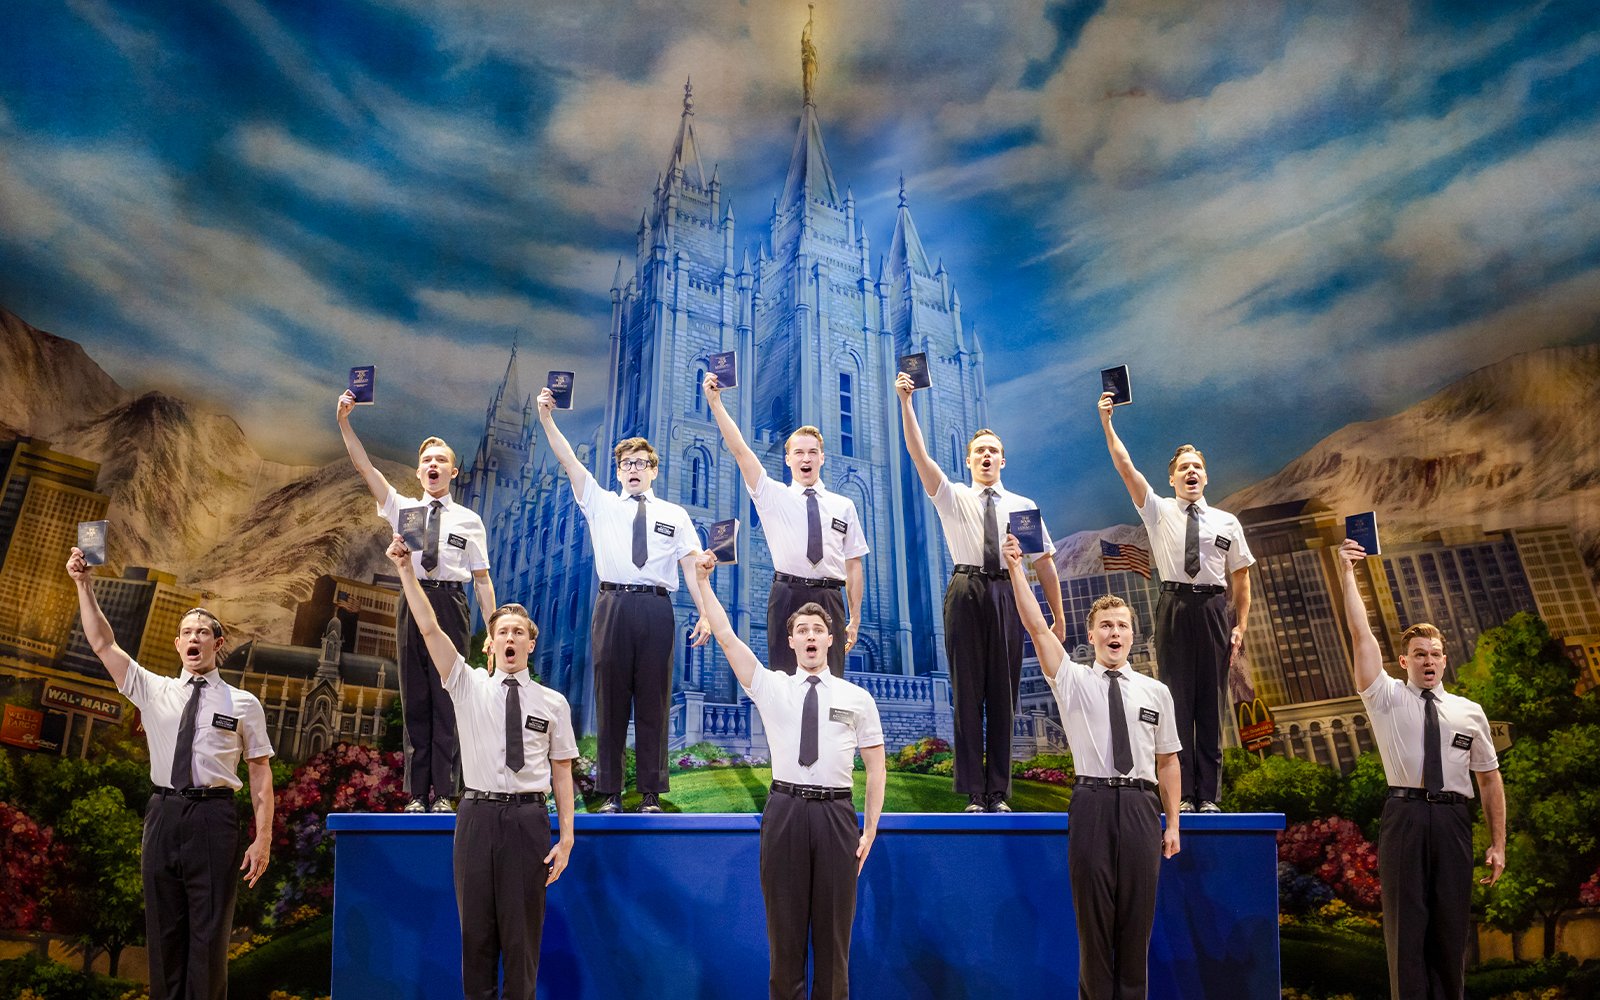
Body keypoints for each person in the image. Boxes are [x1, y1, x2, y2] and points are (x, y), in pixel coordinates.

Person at [66, 547, 273, 1000]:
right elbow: (103, 644)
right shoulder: (152, 689)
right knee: (164, 933)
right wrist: (83, 583)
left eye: (203, 631)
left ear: (218, 644)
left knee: (209, 937)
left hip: (214, 818)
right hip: (163, 814)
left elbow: (260, 774)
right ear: (178, 645)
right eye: (186, 632)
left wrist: (263, 838)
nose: (193, 637)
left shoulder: (243, 704)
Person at [386, 536, 576, 1000]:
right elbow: (429, 628)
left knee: (522, 940)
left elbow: (562, 772)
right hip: (476, 817)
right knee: (476, 938)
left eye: (518, 632)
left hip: (529, 820)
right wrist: (407, 571)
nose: (510, 638)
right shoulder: (466, 684)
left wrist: (567, 837)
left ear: (531, 643)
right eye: (502, 632)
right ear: (490, 643)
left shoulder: (553, 703)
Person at [696, 552, 885, 1000]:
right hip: (784, 812)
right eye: (803, 630)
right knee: (785, 945)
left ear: (831, 639)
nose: (811, 636)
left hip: (837, 817)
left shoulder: (857, 698)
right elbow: (726, 637)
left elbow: (877, 767)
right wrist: (703, 585)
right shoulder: (771, 686)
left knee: (834, 946)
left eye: (818, 629)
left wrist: (871, 827)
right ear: (792, 641)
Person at [1002, 534, 1181, 999]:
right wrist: (1017, 569)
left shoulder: (1156, 693)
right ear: (1091, 634)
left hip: (1141, 808)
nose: (1114, 632)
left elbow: (1167, 761)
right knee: (1095, 928)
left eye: (1121, 625)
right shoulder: (1072, 680)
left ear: (1132, 635)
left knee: (1136, 929)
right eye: (1105, 625)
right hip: (1092, 804)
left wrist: (1173, 824)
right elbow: (1038, 627)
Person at [1336, 538, 1505, 1000]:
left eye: (1434, 654)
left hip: (1453, 820)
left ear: (1444, 660)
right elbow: (1360, 634)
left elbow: (1490, 779)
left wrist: (1498, 844)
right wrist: (1347, 573)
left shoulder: (1470, 712)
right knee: (1406, 931)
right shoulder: (1385, 696)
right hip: (1405, 817)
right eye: (1419, 654)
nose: (1427, 660)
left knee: (1451, 931)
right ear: (1403, 661)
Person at [895, 372, 1066, 812]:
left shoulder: (1022, 508)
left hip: (1009, 593)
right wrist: (907, 403)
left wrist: (1058, 617)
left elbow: (1044, 563)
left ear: (1003, 461)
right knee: (968, 693)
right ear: (968, 460)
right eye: (979, 452)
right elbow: (918, 455)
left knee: (1004, 694)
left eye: (993, 451)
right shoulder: (953, 497)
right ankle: (974, 792)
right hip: (965, 591)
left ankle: (999, 792)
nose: (986, 456)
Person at [537, 388, 712, 813]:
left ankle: (650, 793)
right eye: (626, 464)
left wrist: (705, 612)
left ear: (654, 470)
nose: (633, 469)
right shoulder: (600, 503)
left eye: (641, 463)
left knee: (654, 700)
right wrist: (546, 419)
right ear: (617, 471)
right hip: (612, 606)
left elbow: (693, 567)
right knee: (611, 700)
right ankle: (611, 793)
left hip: (657, 608)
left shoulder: (675, 515)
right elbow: (569, 460)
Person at [337, 390, 498, 813]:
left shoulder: (470, 521)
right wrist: (344, 422)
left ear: (453, 471)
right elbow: (365, 467)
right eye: (427, 460)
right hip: (412, 600)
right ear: (418, 470)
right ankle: (415, 794)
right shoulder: (404, 509)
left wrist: (494, 630)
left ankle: (444, 792)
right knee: (415, 698)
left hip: (451, 605)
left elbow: (482, 580)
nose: (433, 465)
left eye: (441, 460)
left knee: (448, 697)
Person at [1098, 391, 1252, 813]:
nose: (1191, 472)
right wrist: (1108, 423)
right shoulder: (1159, 510)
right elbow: (1125, 467)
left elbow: (1241, 576)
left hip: (1214, 610)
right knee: (1175, 702)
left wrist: (1240, 625)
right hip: (1174, 608)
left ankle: (1209, 797)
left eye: (1197, 467)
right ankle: (1182, 795)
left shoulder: (1227, 522)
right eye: (1183, 467)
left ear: (1206, 477)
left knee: (1211, 704)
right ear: (1171, 479)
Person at [704, 371, 868, 676]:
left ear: (822, 458)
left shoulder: (844, 506)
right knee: (784, 683)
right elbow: (740, 451)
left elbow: (854, 564)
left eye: (812, 452)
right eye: (799, 452)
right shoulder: (772, 495)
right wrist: (716, 404)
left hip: (830, 597)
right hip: (786, 595)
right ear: (788, 459)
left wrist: (855, 618)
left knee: (830, 682)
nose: (806, 459)